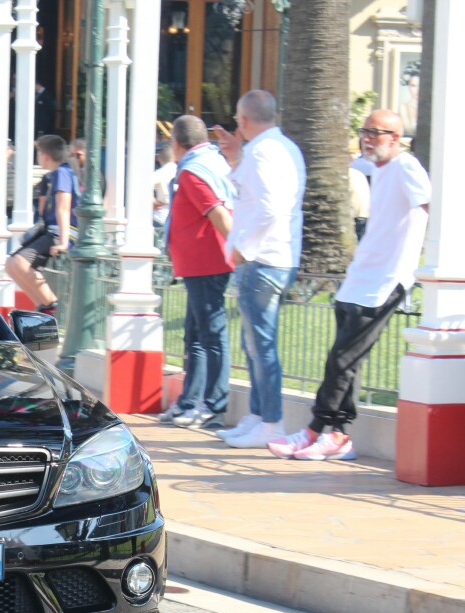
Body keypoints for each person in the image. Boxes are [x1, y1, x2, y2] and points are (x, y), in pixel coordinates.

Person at [266, 110, 430, 462]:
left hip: (386, 281)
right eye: (364, 130)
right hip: (359, 279)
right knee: (346, 361)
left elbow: (432, 206)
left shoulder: (406, 167)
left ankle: (315, 429)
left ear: (396, 137)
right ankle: (338, 435)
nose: (368, 137)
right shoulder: (378, 169)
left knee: (341, 359)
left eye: (377, 132)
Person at [213, 89, 306, 449]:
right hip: (274, 256)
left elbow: (269, 208)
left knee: (260, 344)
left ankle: (270, 422)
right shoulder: (278, 148)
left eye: (238, 121)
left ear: (245, 120)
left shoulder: (265, 151)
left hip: (263, 258)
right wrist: (237, 157)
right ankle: (258, 417)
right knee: (252, 342)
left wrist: (242, 248)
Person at [158, 115, 236, 429]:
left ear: (177, 144)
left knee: (210, 335)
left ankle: (214, 406)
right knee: (196, 336)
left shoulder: (193, 171)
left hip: (207, 264)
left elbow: (217, 212)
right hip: (199, 264)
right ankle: (190, 402)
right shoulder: (210, 163)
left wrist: (238, 252)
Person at [3, 135, 77, 313]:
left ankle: (51, 304)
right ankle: (42, 306)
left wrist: (63, 241)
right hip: (50, 231)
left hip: (61, 232)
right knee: (11, 265)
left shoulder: (62, 173)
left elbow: (64, 208)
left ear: (44, 155)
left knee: (20, 263)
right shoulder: (54, 175)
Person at [152, 141, 176, 229]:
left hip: (160, 217)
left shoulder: (160, 173)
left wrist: (152, 201)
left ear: (159, 158)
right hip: (176, 218)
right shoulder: (182, 172)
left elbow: (143, 187)